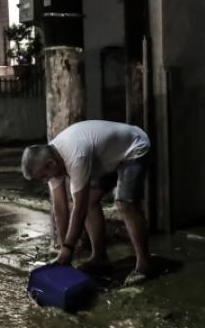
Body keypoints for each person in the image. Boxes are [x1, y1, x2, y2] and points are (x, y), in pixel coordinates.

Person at [21, 120, 152, 285]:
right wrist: (64, 249)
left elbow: (79, 209)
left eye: (43, 177)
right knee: (90, 201)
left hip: (133, 148)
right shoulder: (51, 158)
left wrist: (68, 248)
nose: (44, 181)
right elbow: (60, 207)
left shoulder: (74, 155)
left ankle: (143, 265)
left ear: (50, 164)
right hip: (108, 158)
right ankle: (100, 257)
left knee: (125, 204)